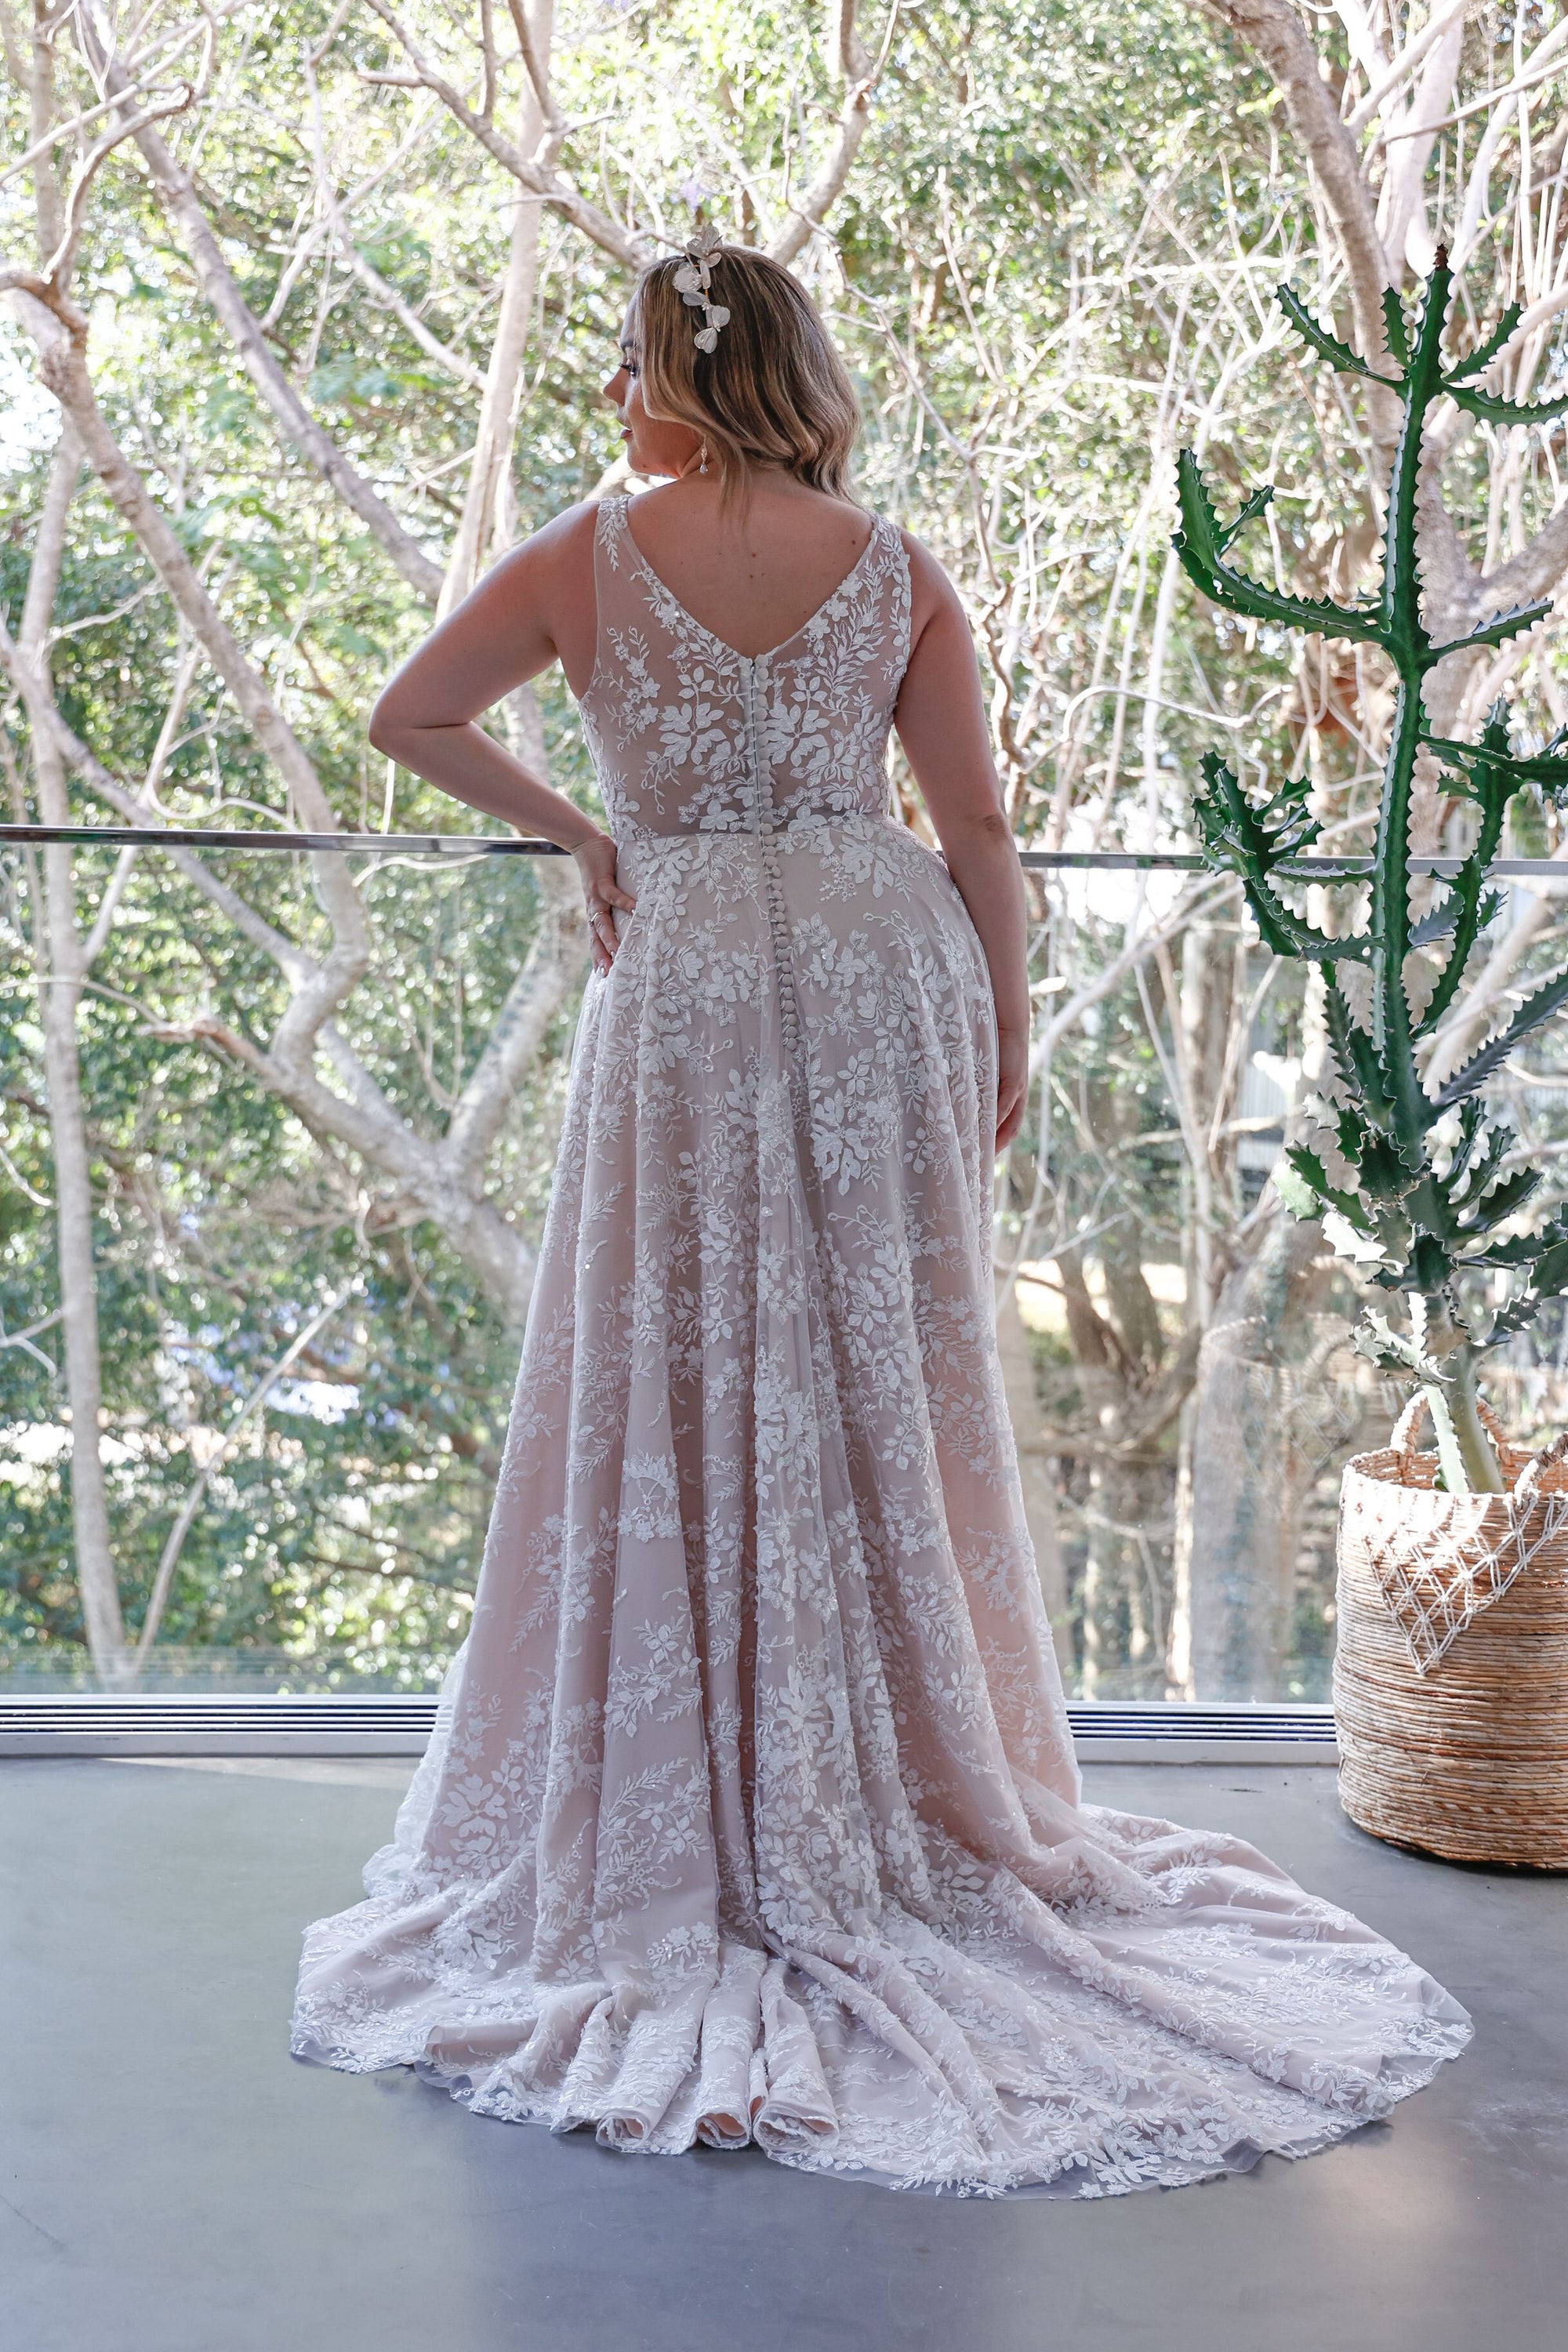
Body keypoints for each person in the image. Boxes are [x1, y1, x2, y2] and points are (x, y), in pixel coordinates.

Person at [290, 234, 1470, 2196]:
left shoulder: (585, 553)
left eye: (622, 364)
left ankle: (714, 1805)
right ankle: (899, 1786)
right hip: (874, 973)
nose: (608, 395)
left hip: (685, 970)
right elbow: (976, 826)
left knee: (676, 1352)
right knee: (877, 1378)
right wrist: (1003, 1022)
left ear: (669, 375)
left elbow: (411, 714)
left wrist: (587, 834)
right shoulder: (894, 563)